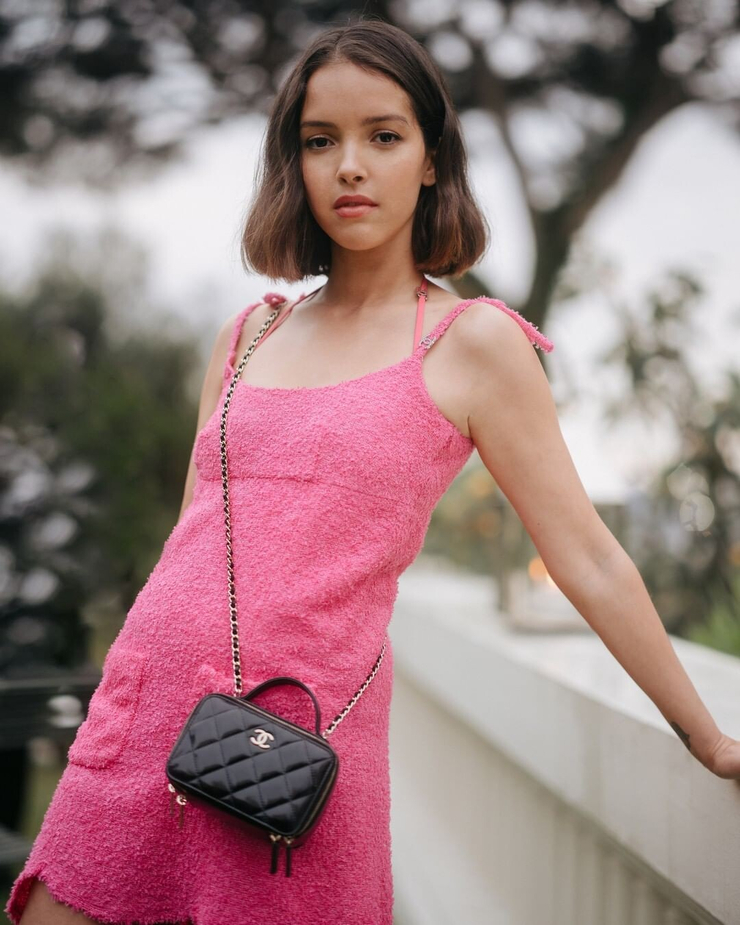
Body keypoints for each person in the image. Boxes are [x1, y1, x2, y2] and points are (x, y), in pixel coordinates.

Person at [9, 15, 740, 925]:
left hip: (294, 746)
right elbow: (193, 536)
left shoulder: (473, 343)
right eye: (321, 141)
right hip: (146, 709)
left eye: (383, 137)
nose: (349, 166)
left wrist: (706, 737)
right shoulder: (249, 333)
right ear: (295, 162)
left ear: (432, 159)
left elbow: (586, 556)